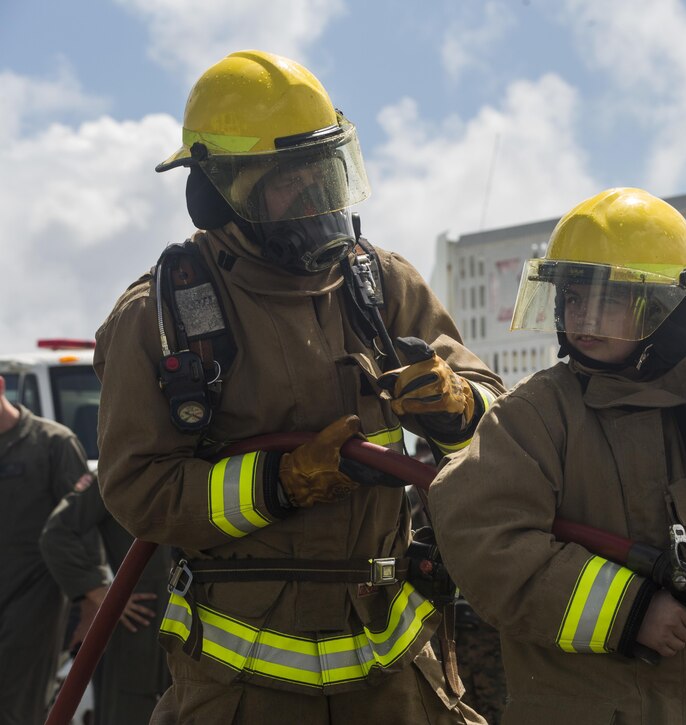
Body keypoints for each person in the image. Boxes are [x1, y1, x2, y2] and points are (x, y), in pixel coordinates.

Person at [94, 49, 503, 723]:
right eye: (288, 178)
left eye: (324, 169)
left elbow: (496, 410)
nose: (316, 194)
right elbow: (138, 487)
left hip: (393, 674)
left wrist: (459, 404)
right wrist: (277, 483)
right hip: (243, 687)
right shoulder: (164, 315)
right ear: (219, 188)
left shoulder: (381, 284)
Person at [428, 188, 686, 722]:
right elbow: (481, 533)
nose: (582, 317)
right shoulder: (535, 414)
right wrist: (629, 611)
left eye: (607, 300)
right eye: (574, 298)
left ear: (664, 305)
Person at [40, 472, 173, 724]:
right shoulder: (117, 469)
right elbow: (57, 533)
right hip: (137, 628)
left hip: (190, 625)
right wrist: (99, 593)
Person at [0, 375, 90, 725]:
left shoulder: (53, 444)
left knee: (17, 711)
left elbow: (82, 531)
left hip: (34, 608)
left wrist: (91, 606)